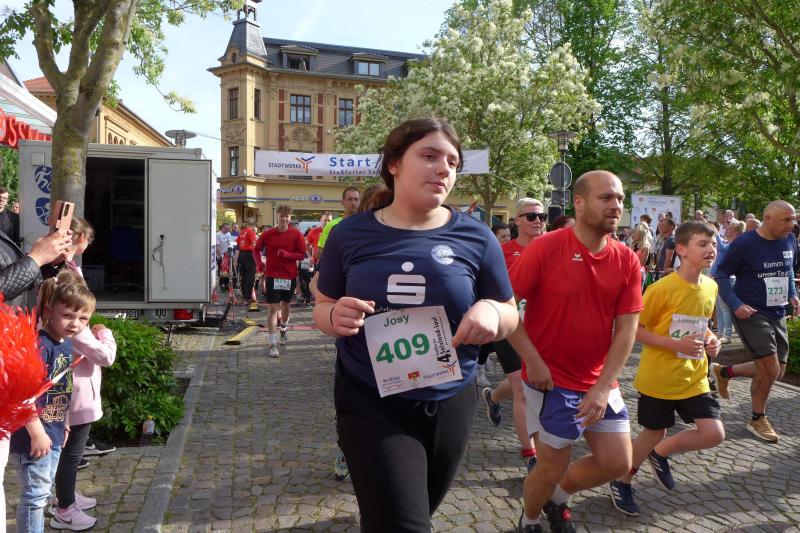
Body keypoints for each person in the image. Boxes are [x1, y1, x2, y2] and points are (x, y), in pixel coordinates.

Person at [314, 118, 518, 532]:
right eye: (428, 156)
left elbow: (510, 311)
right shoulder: (349, 234)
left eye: (453, 162)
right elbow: (323, 305)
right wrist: (335, 317)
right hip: (370, 397)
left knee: (418, 509)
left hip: (451, 397)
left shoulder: (476, 237)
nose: (443, 168)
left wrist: (492, 313)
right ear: (394, 164)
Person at [509, 170, 643, 533]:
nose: (616, 205)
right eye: (606, 197)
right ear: (579, 202)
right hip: (550, 382)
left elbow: (627, 330)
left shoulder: (627, 259)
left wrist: (602, 385)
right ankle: (530, 519)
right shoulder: (546, 247)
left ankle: (558, 498)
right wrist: (532, 361)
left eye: (620, 199)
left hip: (600, 382)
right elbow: (506, 307)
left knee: (617, 463)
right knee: (550, 466)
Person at [608, 221, 724, 517]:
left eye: (713, 244)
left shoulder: (711, 286)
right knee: (652, 433)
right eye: (702, 244)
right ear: (681, 250)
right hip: (659, 378)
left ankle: (659, 454)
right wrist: (674, 345)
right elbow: (634, 330)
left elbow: (701, 324)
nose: (711, 249)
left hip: (694, 376)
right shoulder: (661, 288)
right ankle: (622, 480)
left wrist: (712, 340)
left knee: (713, 433)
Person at [10, 270, 96, 533]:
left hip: (54, 430)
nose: (75, 324)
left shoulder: (65, 343)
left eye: (83, 318)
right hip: (34, 436)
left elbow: (61, 387)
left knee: (43, 492)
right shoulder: (41, 345)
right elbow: (24, 394)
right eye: (67, 315)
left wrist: (65, 420)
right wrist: (37, 433)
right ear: (49, 311)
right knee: (35, 498)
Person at [712, 200, 799, 442]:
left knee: (778, 371)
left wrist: (793, 293)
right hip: (751, 311)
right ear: (768, 218)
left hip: (778, 310)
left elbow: (788, 269)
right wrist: (736, 305)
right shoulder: (745, 243)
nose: (791, 225)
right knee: (769, 368)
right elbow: (720, 274)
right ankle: (757, 418)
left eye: (793, 219)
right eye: (786, 220)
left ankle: (724, 372)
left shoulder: (789, 240)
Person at [483, 198, 546, 471]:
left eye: (542, 216)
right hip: (510, 327)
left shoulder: (552, 249)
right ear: (517, 220)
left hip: (542, 329)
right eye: (531, 216)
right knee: (522, 389)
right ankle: (531, 454)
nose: (538, 221)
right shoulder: (502, 252)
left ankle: (493, 397)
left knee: (529, 380)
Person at [254, 206, 305, 357]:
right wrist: (259, 264)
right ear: (277, 216)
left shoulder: (296, 234)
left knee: (286, 305)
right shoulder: (268, 234)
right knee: (273, 309)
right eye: (282, 215)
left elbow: (301, 255)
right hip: (272, 275)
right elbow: (256, 250)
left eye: (287, 216)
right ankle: (272, 344)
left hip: (289, 276)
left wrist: (287, 254)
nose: (284, 218)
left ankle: (283, 327)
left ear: (290, 217)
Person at [711, 220, 746, 343]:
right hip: (717, 277)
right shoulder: (727, 242)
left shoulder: (735, 243)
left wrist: (715, 232)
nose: (726, 230)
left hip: (727, 279)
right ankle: (720, 332)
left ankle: (728, 335)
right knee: (719, 308)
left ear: (736, 231)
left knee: (725, 308)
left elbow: (722, 248)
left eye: (729, 228)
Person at [315, 188, 361, 262]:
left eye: (356, 199)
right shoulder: (332, 225)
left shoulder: (366, 224)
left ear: (360, 202)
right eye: (350, 199)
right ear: (342, 202)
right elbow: (319, 253)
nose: (353, 203)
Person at [236, 220, 258, 311]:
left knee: (243, 276)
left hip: (242, 254)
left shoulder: (242, 232)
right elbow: (254, 244)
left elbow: (238, 243)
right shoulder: (250, 231)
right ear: (252, 225)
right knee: (250, 276)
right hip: (249, 254)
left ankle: (244, 296)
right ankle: (248, 297)